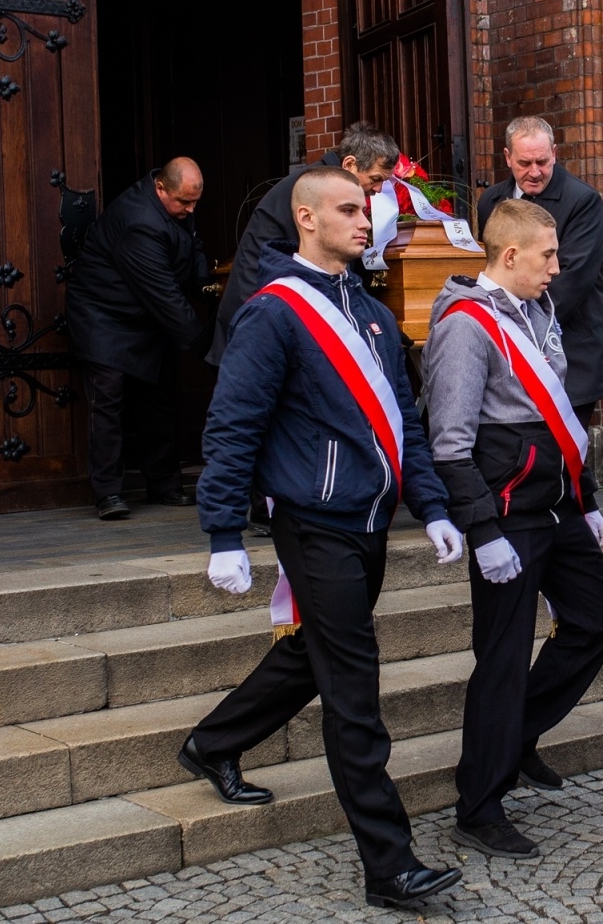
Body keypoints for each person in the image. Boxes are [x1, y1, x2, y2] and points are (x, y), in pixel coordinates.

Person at [184, 165, 465, 910]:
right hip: (313, 521)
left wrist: (432, 506)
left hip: (369, 520)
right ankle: (390, 863)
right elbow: (233, 423)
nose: (363, 222)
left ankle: (211, 744)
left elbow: (406, 420)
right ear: (305, 218)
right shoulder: (275, 310)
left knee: (317, 653)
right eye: (347, 209)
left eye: (365, 210)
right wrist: (223, 532)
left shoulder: (370, 310)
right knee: (353, 683)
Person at [421, 197, 603, 859]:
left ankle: (517, 735)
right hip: (506, 514)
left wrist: (587, 496)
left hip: (558, 504)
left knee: (596, 622)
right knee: (502, 663)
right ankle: (478, 806)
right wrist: (482, 532)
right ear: (510, 256)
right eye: (547, 256)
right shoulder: (465, 327)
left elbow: (562, 417)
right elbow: (449, 444)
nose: (557, 269)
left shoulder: (537, 310)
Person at [65, 157, 212, 520]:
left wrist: (206, 280)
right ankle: (108, 493)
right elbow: (163, 294)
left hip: (144, 319)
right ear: (160, 188)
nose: (190, 210)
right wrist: (208, 346)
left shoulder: (176, 206)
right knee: (108, 400)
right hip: (104, 317)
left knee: (160, 398)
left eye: (195, 202)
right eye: (184, 202)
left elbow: (193, 252)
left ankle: (163, 483)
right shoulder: (139, 221)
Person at [208, 122, 398, 364]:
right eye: (375, 178)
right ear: (349, 164)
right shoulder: (315, 188)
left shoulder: (321, 183)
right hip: (255, 328)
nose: (379, 189)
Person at [474, 117, 603, 429]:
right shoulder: (491, 203)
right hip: (509, 349)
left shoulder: (582, 201)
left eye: (542, 161)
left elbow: (570, 281)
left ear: (555, 153)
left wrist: (511, 327)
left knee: (565, 455)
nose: (534, 172)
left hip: (571, 349)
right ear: (508, 157)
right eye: (524, 163)